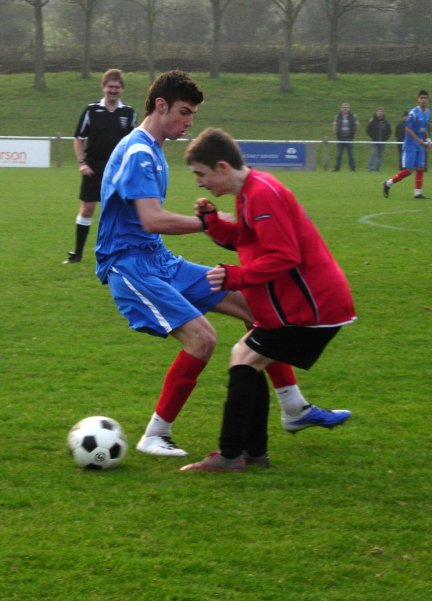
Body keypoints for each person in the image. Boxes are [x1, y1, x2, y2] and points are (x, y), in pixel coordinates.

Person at [95, 70, 325, 460]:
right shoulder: (137, 152)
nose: (189, 123)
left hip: (157, 259)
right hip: (128, 266)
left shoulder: (151, 148)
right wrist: (209, 224)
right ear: (161, 106)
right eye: (184, 113)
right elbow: (151, 219)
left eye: (193, 115)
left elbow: (150, 226)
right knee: (203, 339)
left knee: (254, 308)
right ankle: (155, 434)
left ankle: (293, 406)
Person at [180, 128, 356, 473]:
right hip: (310, 305)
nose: (200, 183)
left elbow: (283, 256)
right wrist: (213, 224)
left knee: (244, 358)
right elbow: (247, 240)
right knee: (247, 359)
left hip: (313, 307)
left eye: (201, 174)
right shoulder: (251, 192)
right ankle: (253, 453)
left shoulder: (261, 194)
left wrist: (235, 277)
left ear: (221, 167)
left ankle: (232, 455)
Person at [63, 69, 137, 264]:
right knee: (87, 209)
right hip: (94, 167)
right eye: (110, 86)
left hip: (118, 170)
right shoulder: (91, 111)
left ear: (122, 89)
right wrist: (82, 163)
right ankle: (77, 253)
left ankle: (117, 253)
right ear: (103, 87)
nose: (113, 90)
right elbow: (78, 139)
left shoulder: (128, 113)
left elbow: (135, 142)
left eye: (117, 87)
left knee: (118, 211)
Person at [383, 90, 431, 200]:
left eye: (425, 98)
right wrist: (418, 139)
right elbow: (407, 128)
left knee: (420, 168)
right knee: (409, 170)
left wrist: (428, 139)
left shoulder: (428, 112)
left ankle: (417, 193)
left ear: (428, 100)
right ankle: (388, 183)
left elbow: (425, 127)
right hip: (411, 145)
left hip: (420, 145)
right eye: (421, 98)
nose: (423, 100)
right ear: (418, 99)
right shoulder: (413, 113)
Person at [332, 102, 359, 171]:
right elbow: (334, 125)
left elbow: (357, 125)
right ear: (341, 108)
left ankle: (353, 169)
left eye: (346, 107)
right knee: (339, 155)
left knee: (351, 155)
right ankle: (337, 168)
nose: (345, 109)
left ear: (349, 109)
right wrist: (335, 131)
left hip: (349, 138)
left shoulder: (353, 116)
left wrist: (355, 132)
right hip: (340, 138)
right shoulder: (337, 116)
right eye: (344, 107)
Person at [366, 107, 391, 172]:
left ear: (383, 113)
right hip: (374, 141)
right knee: (373, 154)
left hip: (382, 142)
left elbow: (389, 131)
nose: (380, 113)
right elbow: (368, 130)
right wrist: (372, 136)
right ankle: (370, 168)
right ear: (376, 113)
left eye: (381, 112)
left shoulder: (386, 122)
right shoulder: (372, 121)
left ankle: (378, 169)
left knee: (380, 155)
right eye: (378, 111)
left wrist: (386, 139)